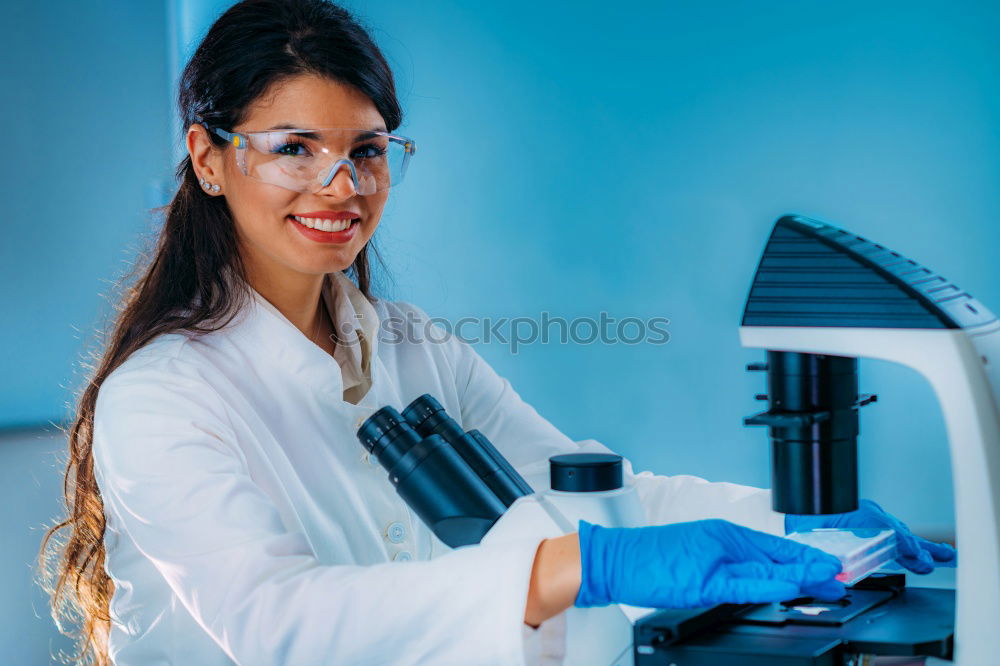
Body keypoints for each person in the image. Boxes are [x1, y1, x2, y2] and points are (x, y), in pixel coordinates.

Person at [38, 1, 956, 664]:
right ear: (209, 158)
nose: (342, 185)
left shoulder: (410, 344)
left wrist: (798, 517)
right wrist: (570, 569)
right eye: (293, 148)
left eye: (366, 151)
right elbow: (278, 625)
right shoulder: (160, 396)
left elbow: (592, 495)